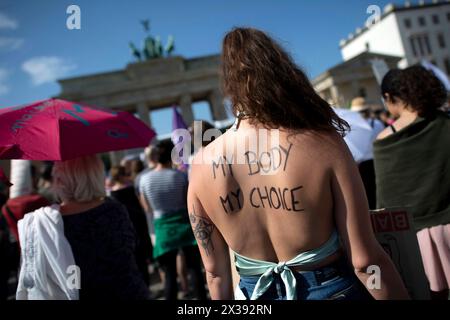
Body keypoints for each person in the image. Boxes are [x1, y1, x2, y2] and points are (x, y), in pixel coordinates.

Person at [188, 27, 409, 300]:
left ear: (229, 86)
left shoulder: (200, 166)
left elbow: (215, 274)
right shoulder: (322, 144)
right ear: (281, 72)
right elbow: (365, 261)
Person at [16, 155, 150, 300]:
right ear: (96, 175)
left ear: (60, 180)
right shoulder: (115, 210)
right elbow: (131, 249)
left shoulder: (45, 222)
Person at [374, 66, 450, 300]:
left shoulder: (386, 140)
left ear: (389, 97)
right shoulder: (446, 123)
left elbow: (386, 200)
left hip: (418, 240)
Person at [139, 140, 207, 300]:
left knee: (169, 275)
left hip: (162, 228)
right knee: (194, 269)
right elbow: (188, 202)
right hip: (184, 225)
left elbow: (147, 208)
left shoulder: (144, 180)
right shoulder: (181, 176)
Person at [109, 165, 153, 286]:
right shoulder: (131, 190)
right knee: (142, 263)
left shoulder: (111, 196)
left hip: (124, 233)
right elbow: (141, 210)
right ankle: (146, 287)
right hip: (138, 229)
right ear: (123, 175)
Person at [350, 97, 384, 209]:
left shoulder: (353, 128)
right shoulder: (377, 123)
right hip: (378, 161)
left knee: (368, 194)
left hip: (362, 165)